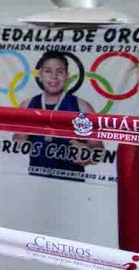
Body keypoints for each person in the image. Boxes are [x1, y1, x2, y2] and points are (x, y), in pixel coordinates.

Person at [15, 51, 103, 182]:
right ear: (40, 75)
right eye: (48, 71)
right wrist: (20, 139)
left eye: (60, 72)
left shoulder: (81, 107)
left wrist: (88, 152)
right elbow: (17, 141)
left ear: (67, 76)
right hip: (36, 181)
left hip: (71, 183)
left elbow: (99, 150)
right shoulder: (27, 105)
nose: (54, 77)